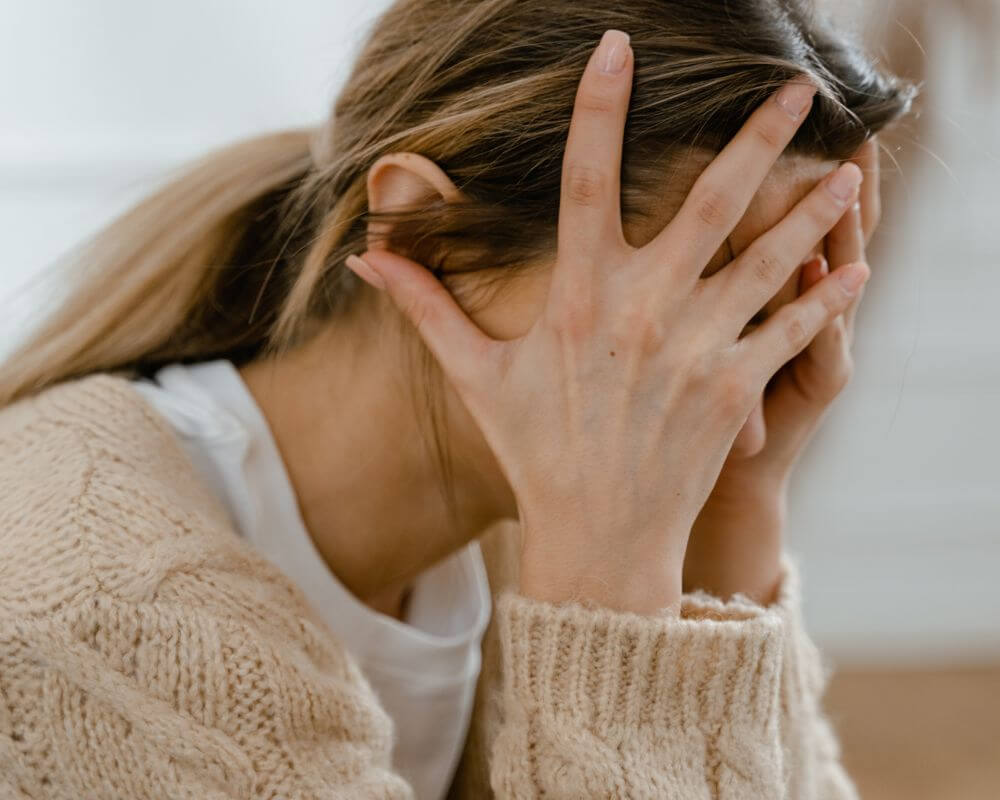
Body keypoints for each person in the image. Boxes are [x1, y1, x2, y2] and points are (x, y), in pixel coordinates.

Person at [0, 1, 913, 797]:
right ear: (428, 236)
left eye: (774, 307)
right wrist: (609, 612)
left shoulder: (524, 538)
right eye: (688, 298)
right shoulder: (104, 614)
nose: (725, 390)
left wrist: (734, 504)